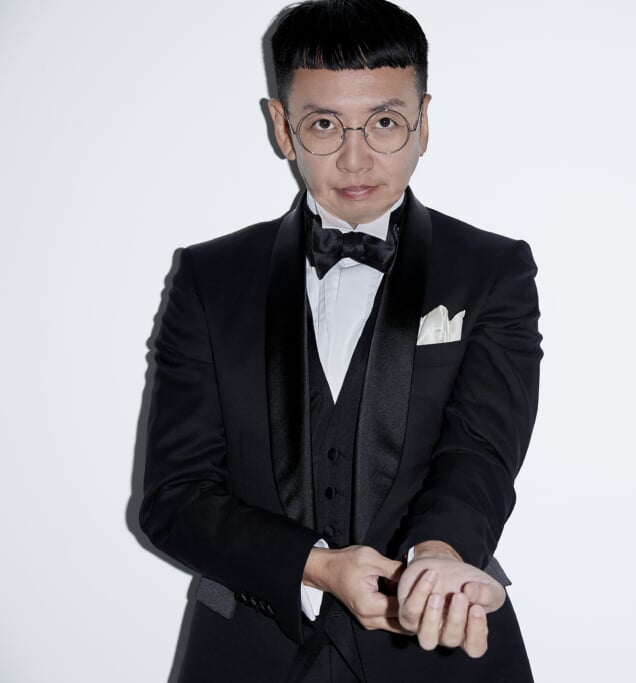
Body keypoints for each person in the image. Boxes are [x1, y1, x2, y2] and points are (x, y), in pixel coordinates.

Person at [139, 1, 541, 680]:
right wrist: (317, 568)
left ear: (423, 121)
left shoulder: (493, 270)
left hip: (440, 647)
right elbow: (173, 497)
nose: (356, 158)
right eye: (324, 124)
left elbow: (481, 453)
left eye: (384, 122)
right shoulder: (207, 278)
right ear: (282, 126)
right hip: (245, 652)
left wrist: (438, 556)